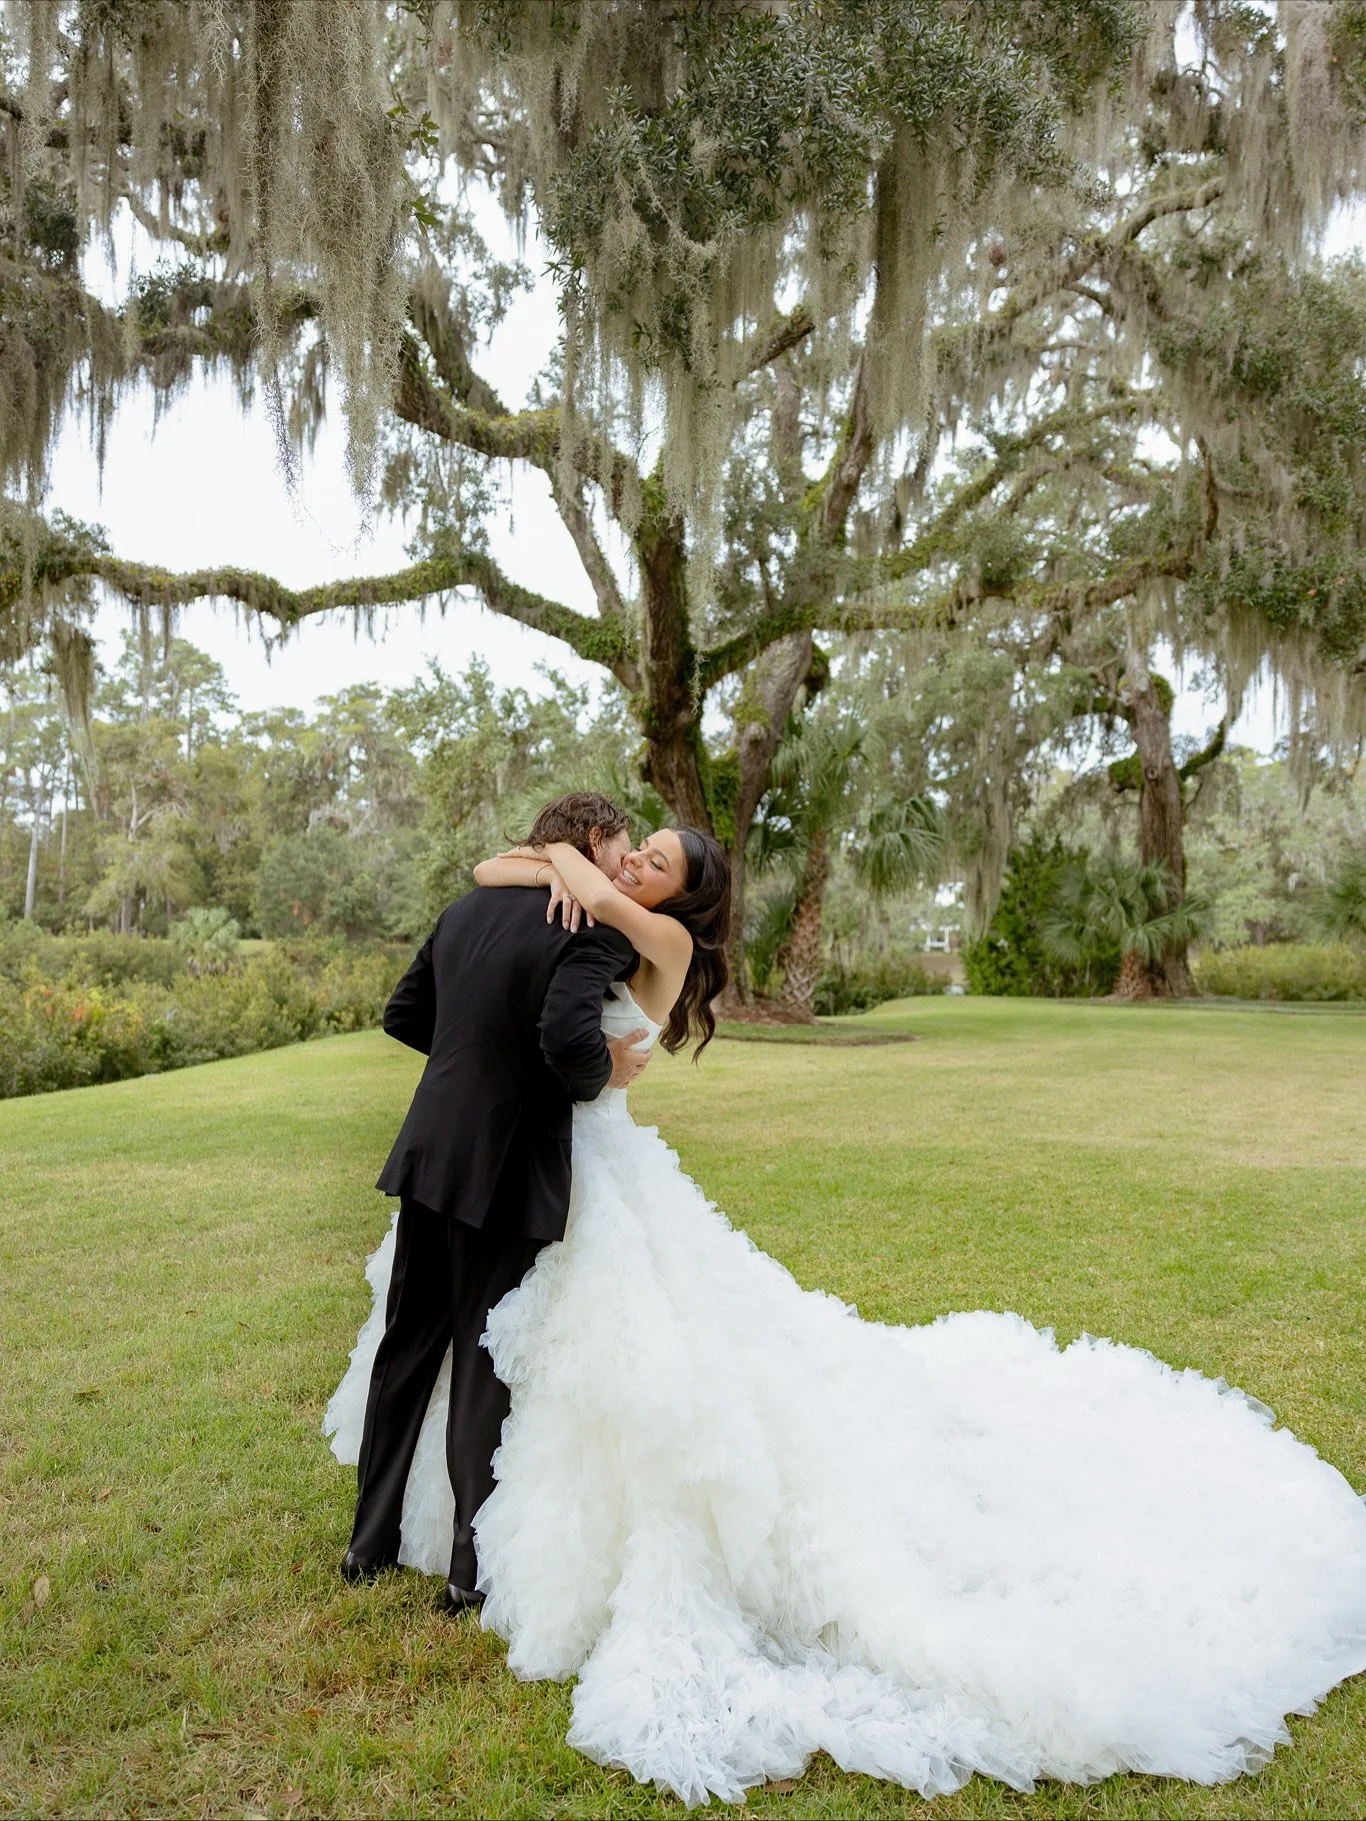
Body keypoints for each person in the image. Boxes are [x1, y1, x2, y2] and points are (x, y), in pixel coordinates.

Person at [329, 808, 1366, 1807]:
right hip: (533, 1166)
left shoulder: (644, 940)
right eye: (634, 851)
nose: (635, 864)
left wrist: (563, 872)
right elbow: (511, 885)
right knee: (498, 1351)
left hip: (535, 1161)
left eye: (657, 865)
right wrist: (558, 868)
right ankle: (456, 1552)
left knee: (518, 1355)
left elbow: (537, 951)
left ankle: (453, 1552)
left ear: (685, 907)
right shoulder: (582, 908)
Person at [335, 792, 650, 1615]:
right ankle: (466, 1575)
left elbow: (405, 1012)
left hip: (430, 1148)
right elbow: (565, 1039)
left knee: (406, 1347)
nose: (626, 866)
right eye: (622, 850)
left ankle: (367, 1544)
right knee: (481, 1364)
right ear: (591, 839)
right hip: (507, 1166)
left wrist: (465, 1053)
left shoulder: (467, 905)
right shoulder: (594, 928)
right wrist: (604, 1069)